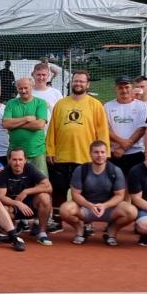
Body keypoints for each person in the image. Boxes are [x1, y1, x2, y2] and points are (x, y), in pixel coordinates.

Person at [46, 69, 109, 212]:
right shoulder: (61, 104)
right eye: (76, 81)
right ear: (71, 82)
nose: (78, 84)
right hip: (61, 156)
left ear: (87, 84)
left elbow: (102, 132)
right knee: (59, 190)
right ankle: (58, 219)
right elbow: (52, 129)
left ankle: (85, 219)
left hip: (85, 156)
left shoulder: (95, 104)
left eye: (81, 81)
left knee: (86, 191)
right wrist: (50, 150)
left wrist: (103, 154)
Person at [59, 140, 136, 246]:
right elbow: (75, 194)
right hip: (86, 208)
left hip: (109, 209)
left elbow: (120, 195)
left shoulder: (115, 170)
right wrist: (90, 206)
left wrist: (105, 206)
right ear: (90, 153)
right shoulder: (81, 170)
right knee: (64, 209)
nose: (99, 155)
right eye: (96, 152)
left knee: (132, 211)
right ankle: (80, 229)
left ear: (107, 153)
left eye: (102, 152)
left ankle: (112, 231)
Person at [0, 148, 54, 246]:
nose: (17, 163)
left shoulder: (30, 168)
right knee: (2, 207)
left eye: (20, 159)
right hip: (12, 206)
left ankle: (42, 233)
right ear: (9, 160)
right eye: (14, 160)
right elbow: (0, 196)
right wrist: (17, 203)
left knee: (45, 197)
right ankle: (12, 232)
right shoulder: (3, 173)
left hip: (30, 205)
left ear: (25, 160)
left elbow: (48, 186)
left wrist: (26, 191)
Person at [2, 77, 50, 175]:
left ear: (32, 87)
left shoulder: (40, 103)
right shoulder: (11, 103)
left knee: (41, 181)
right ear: (17, 89)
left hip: (36, 151)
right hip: (15, 153)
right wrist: (26, 119)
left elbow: (39, 125)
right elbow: (5, 124)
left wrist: (15, 124)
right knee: (15, 181)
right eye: (20, 88)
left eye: (26, 88)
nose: (23, 91)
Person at [104, 75, 147, 174]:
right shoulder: (107, 106)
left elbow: (142, 129)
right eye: (120, 88)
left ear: (132, 88)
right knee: (116, 183)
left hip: (136, 153)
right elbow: (106, 128)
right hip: (114, 153)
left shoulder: (141, 106)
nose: (124, 90)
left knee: (135, 182)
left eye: (127, 87)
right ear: (115, 89)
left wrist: (123, 148)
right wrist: (121, 143)